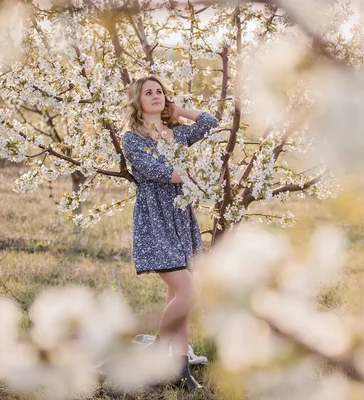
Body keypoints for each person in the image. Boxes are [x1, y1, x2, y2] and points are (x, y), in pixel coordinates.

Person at [121, 75, 218, 391]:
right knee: (189, 292)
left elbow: (210, 123)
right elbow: (154, 171)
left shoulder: (176, 133)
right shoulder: (132, 138)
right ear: (138, 101)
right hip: (156, 220)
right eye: (148, 92)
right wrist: (189, 175)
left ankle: (179, 370)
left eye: (159, 91)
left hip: (180, 217)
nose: (155, 96)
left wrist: (179, 110)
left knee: (179, 295)